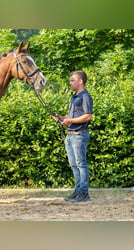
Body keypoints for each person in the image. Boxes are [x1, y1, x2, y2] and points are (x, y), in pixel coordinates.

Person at [53, 70, 93, 202]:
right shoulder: (74, 97)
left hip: (79, 135)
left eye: (72, 80)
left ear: (80, 81)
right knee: (74, 165)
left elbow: (88, 116)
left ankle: (84, 193)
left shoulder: (85, 96)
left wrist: (70, 121)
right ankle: (78, 191)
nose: (70, 83)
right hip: (70, 136)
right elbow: (72, 117)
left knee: (81, 164)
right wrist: (62, 118)